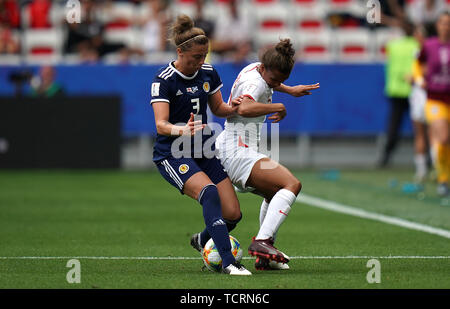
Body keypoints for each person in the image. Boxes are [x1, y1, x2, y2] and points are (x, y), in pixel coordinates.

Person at [194, 39, 319, 270]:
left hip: (234, 147)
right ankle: (262, 242)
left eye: (282, 81)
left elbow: (268, 84)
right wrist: (278, 106)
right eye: (274, 80)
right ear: (263, 68)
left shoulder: (256, 69)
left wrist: (289, 90)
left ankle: (260, 255)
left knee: (274, 193)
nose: (276, 83)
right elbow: (244, 107)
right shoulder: (256, 82)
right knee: (291, 184)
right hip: (237, 150)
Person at [150, 14, 251, 275]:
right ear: (180, 51)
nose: (200, 61)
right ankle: (229, 263)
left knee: (232, 214)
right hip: (172, 153)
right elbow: (161, 124)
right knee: (209, 193)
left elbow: (218, 108)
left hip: (204, 150)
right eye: (196, 57)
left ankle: (202, 239)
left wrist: (235, 109)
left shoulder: (207, 72)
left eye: (204, 56)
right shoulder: (164, 80)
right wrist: (180, 129)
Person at [378, 21, 421, 168]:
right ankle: (426, 159)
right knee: (421, 128)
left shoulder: (393, 45)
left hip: (395, 89)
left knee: (393, 126)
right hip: (413, 89)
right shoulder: (417, 45)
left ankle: (385, 158)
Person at [417, 11, 450, 196]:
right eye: (443, 23)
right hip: (435, 98)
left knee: (447, 142)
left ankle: (445, 177)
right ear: (437, 25)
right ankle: (443, 179)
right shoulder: (429, 46)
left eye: (448, 23)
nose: (446, 26)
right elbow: (417, 64)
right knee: (443, 137)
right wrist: (419, 77)